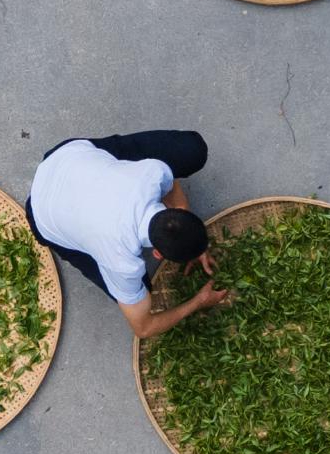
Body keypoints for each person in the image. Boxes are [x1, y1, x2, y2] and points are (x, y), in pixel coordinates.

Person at [25, 130, 229, 339]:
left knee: (191, 150)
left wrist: (192, 242)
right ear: (157, 253)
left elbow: (172, 188)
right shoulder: (121, 262)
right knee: (141, 294)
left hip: (69, 159)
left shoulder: (151, 173)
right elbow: (144, 328)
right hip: (41, 210)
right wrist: (198, 302)